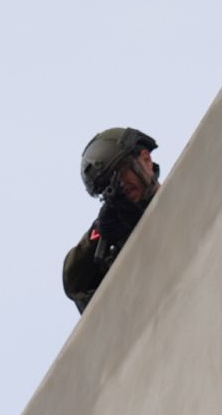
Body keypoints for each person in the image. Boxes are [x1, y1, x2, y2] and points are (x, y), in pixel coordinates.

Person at [62, 127, 161, 313]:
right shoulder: (112, 236)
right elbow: (77, 288)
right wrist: (100, 234)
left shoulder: (185, 191)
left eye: (121, 172)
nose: (121, 186)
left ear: (146, 160)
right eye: (108, 185)